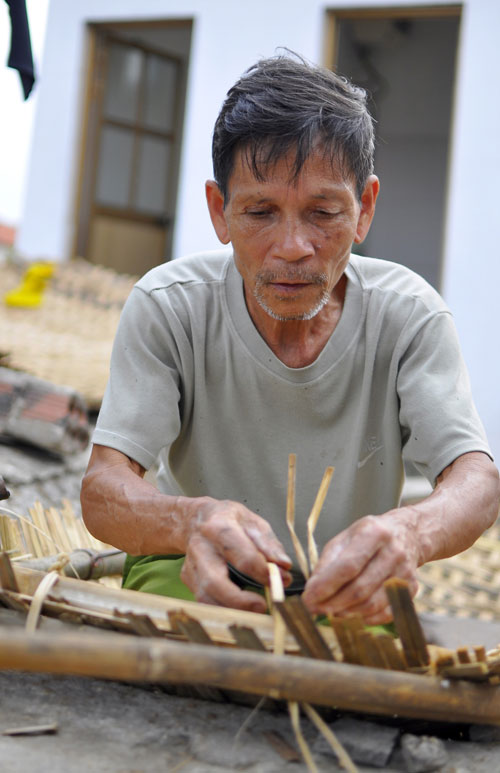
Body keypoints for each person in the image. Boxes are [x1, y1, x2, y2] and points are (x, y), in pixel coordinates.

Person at [81, 53, 499, 625]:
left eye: (323, 212)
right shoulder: (170, 304)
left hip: (343, 592)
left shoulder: (409, 316)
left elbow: (476, 479)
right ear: (219, 210)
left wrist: (411, 532)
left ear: (365, 209)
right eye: (260, 212)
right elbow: (105, 487)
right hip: (193, 571)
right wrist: (192, 522)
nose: (293, 246)